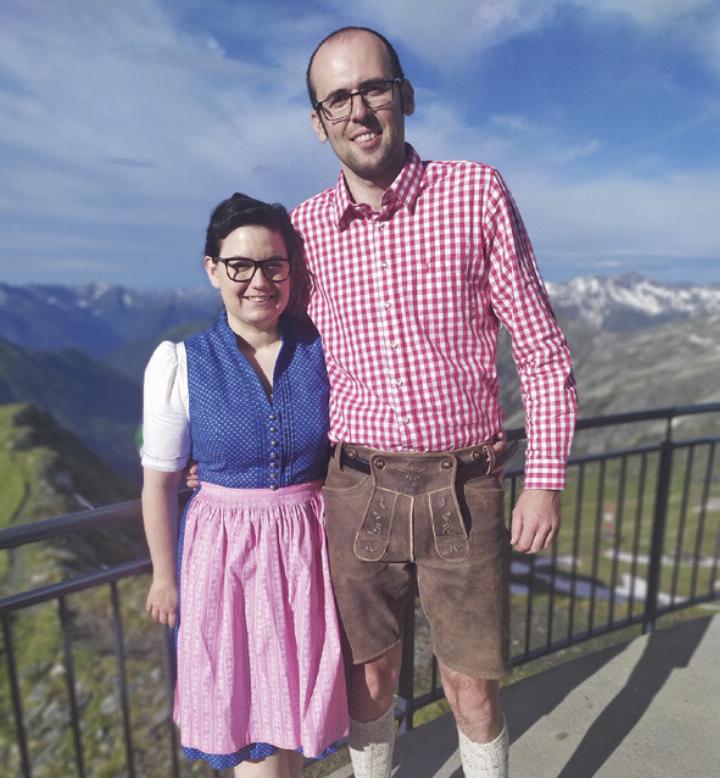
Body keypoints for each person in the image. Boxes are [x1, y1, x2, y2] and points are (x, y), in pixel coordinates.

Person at [290, 26, 579, 778]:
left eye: (373, 88)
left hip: (466, 484)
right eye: (338, 98)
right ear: (318, 123)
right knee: (370, 682)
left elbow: (542, 350)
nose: (359, 110)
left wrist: (544, 479)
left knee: (472, 688)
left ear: (405, 96)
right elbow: (276, 361)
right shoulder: (304, 230)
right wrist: (217, 459)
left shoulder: (475, 191)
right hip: (355, 486)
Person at [140, 193, 348, 777]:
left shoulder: (322, 350)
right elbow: (157, 484)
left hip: (310, 554)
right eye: (240, 266)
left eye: (273, 266)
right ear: (213, 269)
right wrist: (164, 575)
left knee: (292, 727)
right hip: (224, 561)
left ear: (290, 271)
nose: (258, 281)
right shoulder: (181, 364)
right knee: (250, 732)